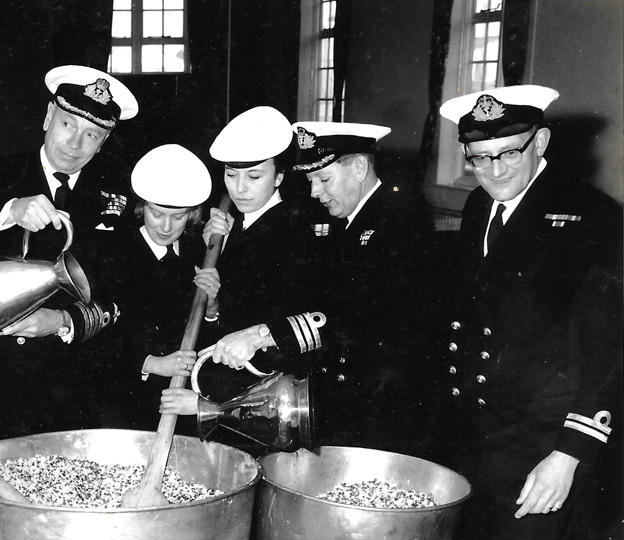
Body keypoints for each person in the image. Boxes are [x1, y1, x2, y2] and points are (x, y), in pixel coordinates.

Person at [435, 85, 622, 540]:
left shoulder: (592, 217)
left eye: (506, 154)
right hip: (483, 441)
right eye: (476, 157)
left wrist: (570, 451)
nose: (490, 171)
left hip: (543, 450)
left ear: (541, 142)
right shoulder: (484, 204)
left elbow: (607, 350)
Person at [175, 122, 438, 455]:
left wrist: (258, 335)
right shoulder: (353, 222)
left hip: (384, 403)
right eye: (312, 180)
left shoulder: (395, 221)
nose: (314, 192)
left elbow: (355, 318)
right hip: (352, 396)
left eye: (324, 179)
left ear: (359, 167)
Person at [0, 64, 138, 442]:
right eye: (68, 124)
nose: (75, 144)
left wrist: (61, 320)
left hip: (73, 386)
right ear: (49, 115)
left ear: (102, 143)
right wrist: (9, 211)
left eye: (92, 134)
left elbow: (121, 296)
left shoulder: (116, 198)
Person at [159, 105, 324, 449]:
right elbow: (220, 313)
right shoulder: (228, 228)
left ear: (279, 176)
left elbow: (282, 334)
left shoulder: (294, 232)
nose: (240, 189)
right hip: (216, 388)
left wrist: (208, 406)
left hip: (256, 404)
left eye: (254, 177)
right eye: (231, 175)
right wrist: (214, 305)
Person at [102, 143, 218, 430]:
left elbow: (213, 335)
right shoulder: (114, 252)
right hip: (125, 404)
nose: (166, 226)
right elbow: (98, 336)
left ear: (191, 214)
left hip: (186, 403)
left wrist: (213, 306)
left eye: (178, 217)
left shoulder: (198, 252)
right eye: (157, 214)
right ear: (142, 207)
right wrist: (152, 363)